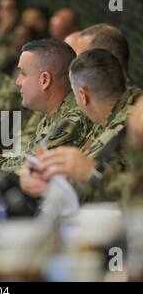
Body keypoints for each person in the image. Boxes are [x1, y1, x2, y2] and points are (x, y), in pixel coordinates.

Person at [20, 49, 141, 202]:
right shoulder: (111, 115)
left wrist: (90, 173)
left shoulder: (124, 127)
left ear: (83, 96)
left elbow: (105, 190)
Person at [0, 39, 91, 173]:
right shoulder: (52, 115)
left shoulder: (72, 119)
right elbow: (29, 158)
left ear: (45, 80)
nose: (18, 82)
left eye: (23, 73)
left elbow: (34, 169)